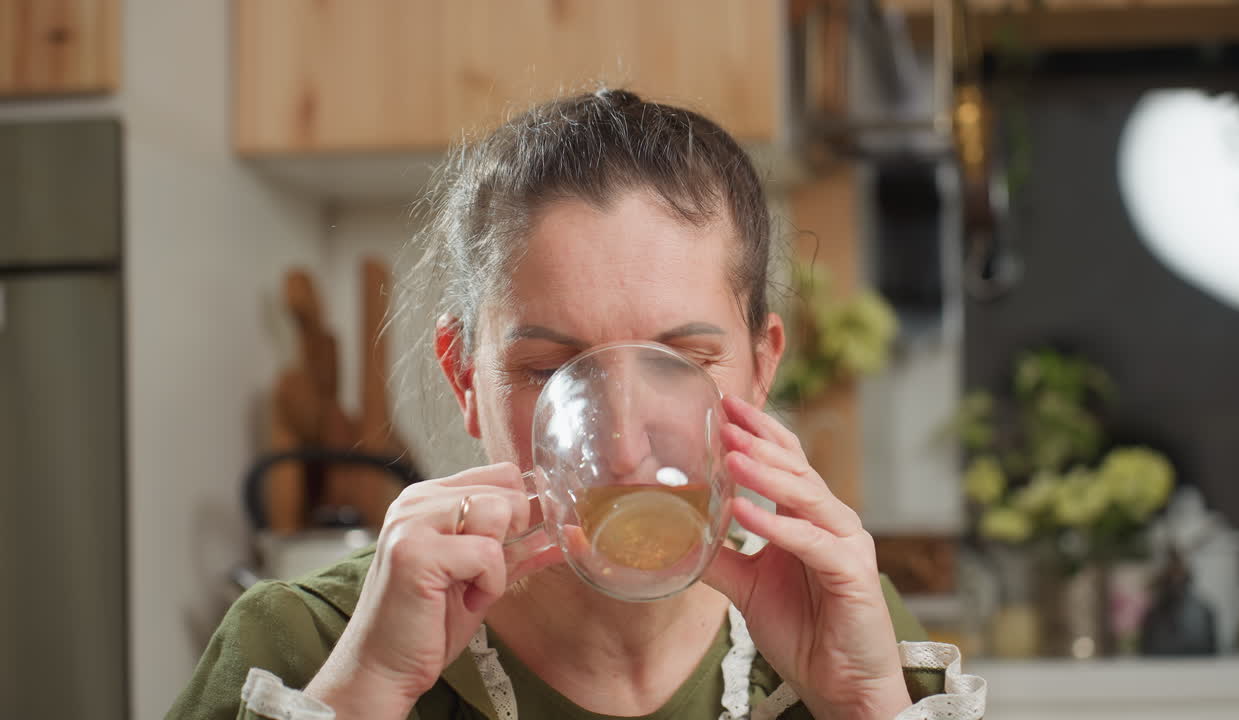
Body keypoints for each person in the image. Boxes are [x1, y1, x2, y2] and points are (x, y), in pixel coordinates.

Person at [168, 89, 984, 720]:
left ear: (761, 365)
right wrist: (369, 688)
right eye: (548, 369)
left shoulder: (850, 624)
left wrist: (866, 702)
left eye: (681, 361)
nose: (623, 448)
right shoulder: (299, 648)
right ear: (463, 379)